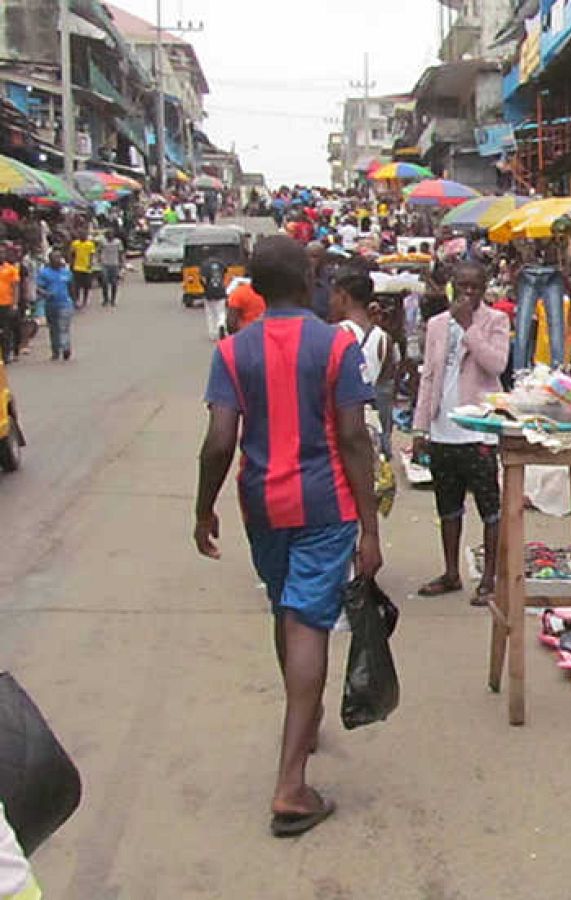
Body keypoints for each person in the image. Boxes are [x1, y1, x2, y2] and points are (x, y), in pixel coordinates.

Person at [193, 235, 382, 838]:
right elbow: (353, 438)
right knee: (308, 622)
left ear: (254, 287)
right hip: (325, 504)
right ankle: (291, 785)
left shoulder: (232, 350)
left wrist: (203, 510)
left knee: (286, 609)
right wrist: (371, 527)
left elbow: (219, 442)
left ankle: (305, 717)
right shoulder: (335, 345)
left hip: (261, 505)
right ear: (307, 281)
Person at [412, 262, 510, 604]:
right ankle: (451, 572)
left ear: (484, 289)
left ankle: (489, 579)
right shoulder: (437, 324)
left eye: (475, 287)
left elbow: (497, 365)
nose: (468, 293)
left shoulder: (496, 321)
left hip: (479, 431)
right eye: (463, 286)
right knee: (448, 507)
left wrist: (470, 328)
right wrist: (420, 427)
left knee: (489, 508)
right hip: (443, 429)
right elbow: (428, 377)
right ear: (452, 286)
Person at [331, 273, 396, 458]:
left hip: (342, 420)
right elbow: (384, 388)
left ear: (343, 296)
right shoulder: (384, 339)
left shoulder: (335, 334)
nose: (331, 302)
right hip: (371, 422)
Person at [36, 252, 72, 361]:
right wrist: (45, 293)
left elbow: (71, 286)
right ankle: (55, 351)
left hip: (65, 304)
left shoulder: (66, 272)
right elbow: (38, 288)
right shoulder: (44, 273)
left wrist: (73, 300)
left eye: (59, 257)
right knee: (53, 329)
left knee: (63, 327)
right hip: (51, 304)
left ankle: (65, 348)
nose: (58, 260)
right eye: (55, 258)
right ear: (50, 260)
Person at [0, 246, 19, 363]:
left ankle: (6, 354)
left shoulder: (11, 269)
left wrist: (15, 303)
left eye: (2, 253)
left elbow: (15, 287)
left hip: (6, 304)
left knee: (6, 330)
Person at [68, 231, 96, 310]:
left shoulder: (90, 244)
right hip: (77, 267)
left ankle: (85, 300)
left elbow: (91, 255)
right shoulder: (75, 243)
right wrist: (71, 263)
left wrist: (90, 263)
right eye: (81, 235)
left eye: (84, 235)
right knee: (76, 285)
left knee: (86, 286)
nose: (83, 236)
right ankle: (77, 300)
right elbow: (72, 254)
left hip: (86, 268)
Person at [97, 231, 124, 307]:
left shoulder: (118, 242)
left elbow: (120, 252)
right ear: (106, 236)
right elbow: (99, 250)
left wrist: (121, 262)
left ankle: (113, 300)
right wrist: (99, 259)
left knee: (114, 283)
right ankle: (105, 299)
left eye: (111, 235)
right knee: (104, 282)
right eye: (108, 235)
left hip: (114, 264)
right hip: (105, 264)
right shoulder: (102, 242)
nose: (110, 237)